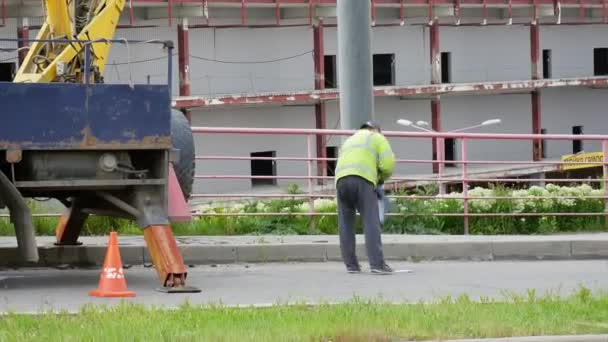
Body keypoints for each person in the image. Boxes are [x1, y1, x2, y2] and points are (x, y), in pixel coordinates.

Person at [335, 121, 396, 274]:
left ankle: (351, 265)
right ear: (376, 130)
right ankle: (377, 265)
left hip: (341, 180)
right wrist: (380, 178)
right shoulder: (377, 137)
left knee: (345, 224)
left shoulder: (349, 140)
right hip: (363, 180)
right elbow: (388, 165)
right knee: (370, 221)